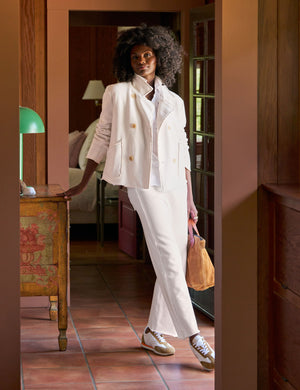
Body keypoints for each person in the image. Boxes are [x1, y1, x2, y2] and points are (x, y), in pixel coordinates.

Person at [61, 25, 215, 371]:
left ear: (160, 57)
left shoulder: (174, 101)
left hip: (175, 186)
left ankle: (152, 331)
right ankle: (195, 338)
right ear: (127, 61)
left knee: (172, 256)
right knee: (168, 259)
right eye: (136, 57)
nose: (142, 61)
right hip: (142, 185)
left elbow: (184, 150)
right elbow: (101, 137)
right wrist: (84, 181)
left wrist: (190, 200)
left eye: (148, 55)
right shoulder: (117, 94)